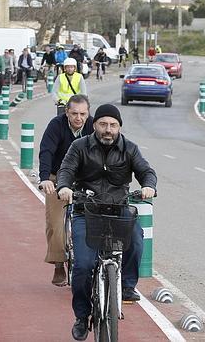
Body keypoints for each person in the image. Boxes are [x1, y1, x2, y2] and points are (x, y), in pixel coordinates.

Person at [56, 104, 157, 341]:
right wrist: (63, 187)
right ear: (95, 125)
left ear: (119, 127)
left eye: (113, 125)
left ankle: (126, 287)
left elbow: (146, 171)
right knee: (82, 266)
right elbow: (66, 170)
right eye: (103, 124)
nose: (108, 130)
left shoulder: (129, 149)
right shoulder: (79, 147)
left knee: (136, 239)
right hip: (85, 210)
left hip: (118, 208)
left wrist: (148, 186)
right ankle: (82, 317)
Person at [38, 95, 94, 287]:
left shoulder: (94, 127)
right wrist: (45, 178)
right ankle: (59, 263)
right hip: (56, 177)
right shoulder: (56, 125)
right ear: (67, 112)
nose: (78, 118)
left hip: (84, 179)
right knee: (55, 222)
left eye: (83, 114)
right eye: (74, 114)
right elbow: (46, 151)